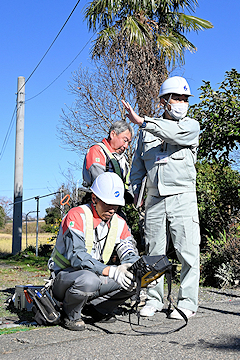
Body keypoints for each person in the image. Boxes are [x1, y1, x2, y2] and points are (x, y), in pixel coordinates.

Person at [122, 76, 201, 320]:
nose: (181, 103)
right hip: (155, 199)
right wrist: (137, 191)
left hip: (183, 197)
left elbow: (171, 134)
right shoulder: (146, 132)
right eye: (176, 98)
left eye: (185, 99)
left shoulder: (190, 126)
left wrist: (143, 121)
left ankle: (187, 302)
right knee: (154, 252)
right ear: (164, 101)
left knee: (187, 251)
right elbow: (138, 166)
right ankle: (154, 300)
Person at [48, 172, 139, 331]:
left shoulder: (119, 223)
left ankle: (98, 310)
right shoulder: (77, 215)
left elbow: (128, 249)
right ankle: (70, 315)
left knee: (134, 279)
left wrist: (135, 268)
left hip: (94, 277)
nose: (112, 210)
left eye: (116, 205)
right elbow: (77, 257)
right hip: (65, 278)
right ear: (94, 198)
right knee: (89, 280)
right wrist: (110, 270)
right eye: (108, 203)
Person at [82, 120, 134, 204]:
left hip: (116, 202)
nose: (126, 146)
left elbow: (128, 183)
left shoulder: (123, 159)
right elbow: (100, 181)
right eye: (125, 140)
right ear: (113, 134)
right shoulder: (97, 151)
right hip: (97, 203)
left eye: (129, 142)